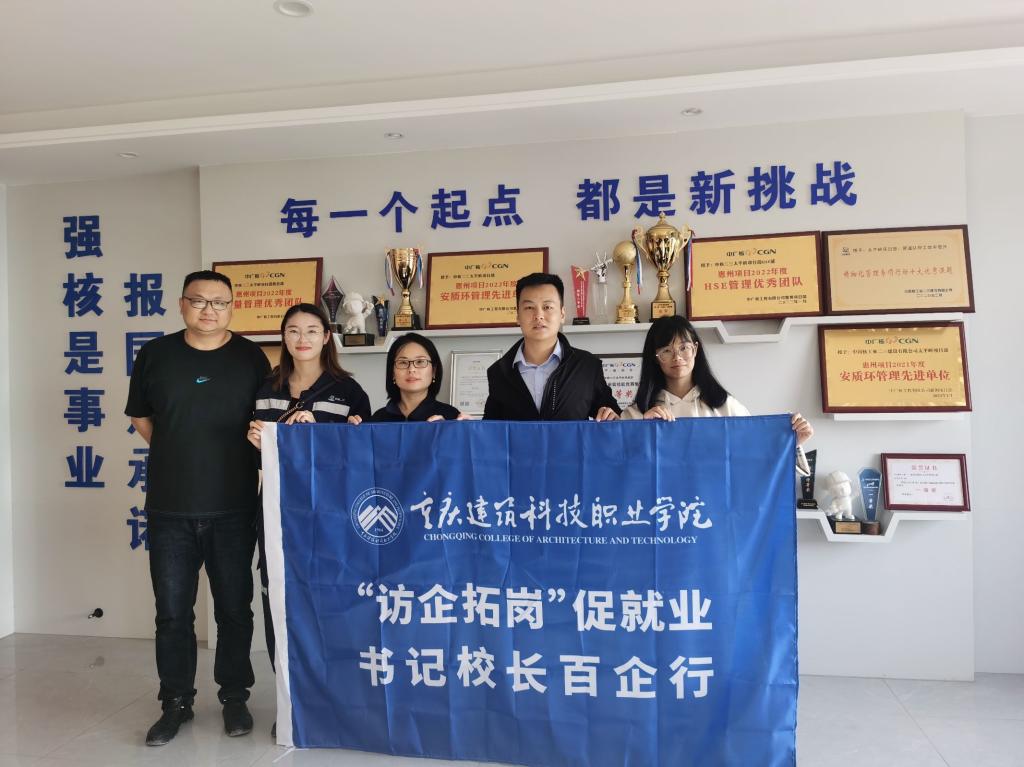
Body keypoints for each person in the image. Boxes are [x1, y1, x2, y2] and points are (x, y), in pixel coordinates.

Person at [126, 270, 270, 746]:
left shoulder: (251, 357)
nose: (210, 310)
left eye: (220, 302)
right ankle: (176, 702)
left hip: (233, 506)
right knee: (172, 613)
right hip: (170, 508)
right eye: (200, 300)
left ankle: (234, 697)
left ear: (232, 307)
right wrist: (179, 452)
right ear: (181, 304)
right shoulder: (155, 354)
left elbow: (265, 421)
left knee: (234, 610)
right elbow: (142, 418)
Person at [247, 302, 372, 697]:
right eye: (294, 331)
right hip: (277, 511)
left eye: (312, 330)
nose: (303, 339)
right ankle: (289, 697)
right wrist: (257, 444)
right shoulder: (266, 389)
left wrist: (324, 433)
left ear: (326, 337)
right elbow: (255, 455)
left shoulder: (348, 391)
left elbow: (363, 458)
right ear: (284, 337)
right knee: (279, 596)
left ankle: (331, 696)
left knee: (329, 597)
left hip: (330, 515)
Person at [620, 315, 813, 473]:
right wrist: (641, 432)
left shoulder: (726, 407)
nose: (677, 357)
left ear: (695, 349)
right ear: (655, 358)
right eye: (666, 350)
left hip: (712, 507)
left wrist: (792, 443)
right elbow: (617, 472)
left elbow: (756, 456)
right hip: (662, 506)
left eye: (684, 348)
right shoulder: (636, 415)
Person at [483, 272, 619, 421]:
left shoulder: (587, 366)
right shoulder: (499, 372)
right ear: (517, 316)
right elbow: (489, 428)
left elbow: (613, 414)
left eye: (547, 307)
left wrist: (612, 416)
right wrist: (467, 425)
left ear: (562, 314)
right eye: (529, 307)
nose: (539, 315)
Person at [350, 332, 467, 423]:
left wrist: (453, 432)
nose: (411, 369)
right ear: (392, 372)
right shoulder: (378, 419)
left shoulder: (451, 417)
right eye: (403, 362)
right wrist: (352, 432)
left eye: (420, 362)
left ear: (434, 371)